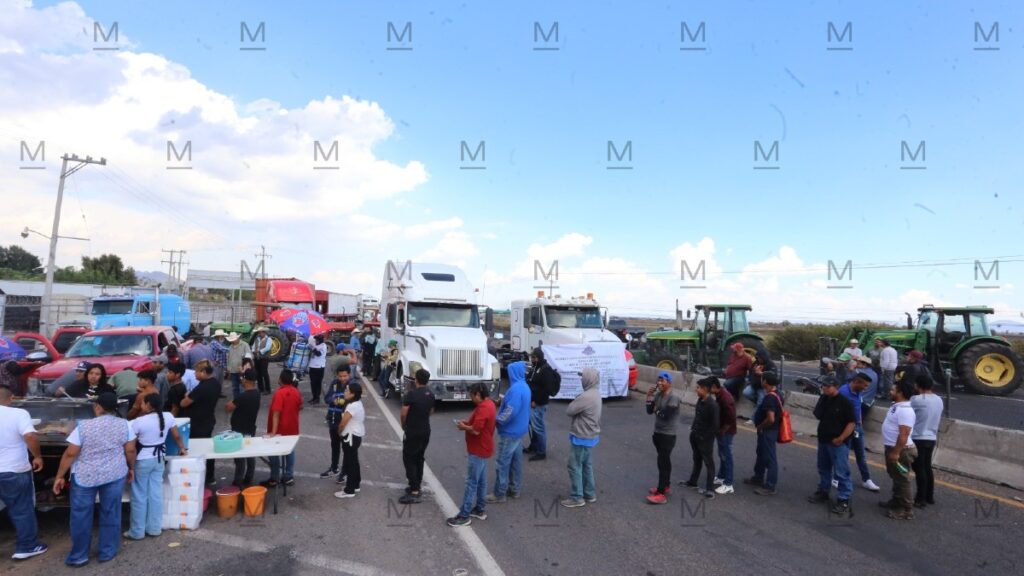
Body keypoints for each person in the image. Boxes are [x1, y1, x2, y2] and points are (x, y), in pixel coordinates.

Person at [52, 393, 136, 567]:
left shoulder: (83, 426)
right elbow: (130, 451)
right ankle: (107, 552)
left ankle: (79, 556)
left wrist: (59, 476)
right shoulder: (126, 425)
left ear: (97, 407)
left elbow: (70, 453)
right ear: (115, 408)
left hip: (85, 476)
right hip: (115, 474)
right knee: (111, 511)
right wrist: (131, 468)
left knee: (81, 515)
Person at [126, 393, 185, 540]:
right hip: (159, 459)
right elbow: (177, 436)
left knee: (139, 495)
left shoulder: (138, 422)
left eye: (143, 403)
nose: (141, 405)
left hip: (143, 460)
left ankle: (137, 531)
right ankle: (154, 528)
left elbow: (131, 449)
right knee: (156, 494)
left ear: (148, 405)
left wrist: (131, 467)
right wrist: (182, 448)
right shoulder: (169, 416)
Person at [0, 386, 48, 561]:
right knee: (21, 509)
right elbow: (30, 436)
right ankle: (27, 546)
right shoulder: (18, 414)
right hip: (14, 470)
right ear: (11, 398)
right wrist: (37, 456)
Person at [448, 383, 497, 526]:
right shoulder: (490, 404)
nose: (471, 398)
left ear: (477, 395)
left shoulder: (483, 408)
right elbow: (477, 425)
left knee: (471, 482)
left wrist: (464, 427)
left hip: (478, 449)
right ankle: (479, 509)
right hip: (484, 447)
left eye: (471, 395)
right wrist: (467, 423)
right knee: (481, 480)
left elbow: (475, 430)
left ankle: (464, 515)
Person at [807, 376, 857, 516]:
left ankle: (844, 499)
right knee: (823, 468)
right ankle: (823, 491)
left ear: (836, 387)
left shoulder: (845, 402)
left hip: (837, 442)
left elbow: (851, 423)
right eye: (823, 386)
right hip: (823, 439)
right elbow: (817, 414)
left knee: (841, 471)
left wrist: (841, 438)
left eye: (827, 386)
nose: (824, 388)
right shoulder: (823, 399)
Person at [488, 361, 531, 503]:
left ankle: (499, 493)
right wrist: (503, 400)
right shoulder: (524, 386)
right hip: (519, 430)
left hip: (509, 431)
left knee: (502, 462)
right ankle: (515, 489)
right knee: (515, 462)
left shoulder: (516, 389)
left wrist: (498, 420)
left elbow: (511, 411)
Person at [561, 368, 602, 508]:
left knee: (574, 466)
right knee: (586, 465)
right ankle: (589, 493)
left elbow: (569, 410)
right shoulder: (596, 393)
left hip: (581, 435)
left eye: (583, 377)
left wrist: (577, 399)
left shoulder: (586, 396)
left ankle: (577, 497)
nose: (581, 379)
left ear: (588, 379)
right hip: (590, 436)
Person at [881, 380, 918, 520]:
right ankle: (897, 501)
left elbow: (904, 434)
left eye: (893, 390)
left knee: (903, 480)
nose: (890, 392)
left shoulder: (906, 411)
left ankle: (906, 509)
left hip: (902, 451)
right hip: (893, 448)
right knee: (896, 477)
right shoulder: (897, 406)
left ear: (900, 393)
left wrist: (896, 452)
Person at [179, 360, 220, 485]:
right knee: (208, 448)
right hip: (208, 420)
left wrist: (187, 396)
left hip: (197, 423)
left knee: (195, 450)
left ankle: (196, 477)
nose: (195, 374)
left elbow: (183, 403)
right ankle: (210, 476)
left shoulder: (202, 387)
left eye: (196, 371)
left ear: (203, 372)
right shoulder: (215, 384)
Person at [645, 371, 681, 504]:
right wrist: (649, 396)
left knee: (663, 463)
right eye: (658, 380)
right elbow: (649, 411)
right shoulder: (658, 395)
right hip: (658, 432)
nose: (659, 383)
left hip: (668, 435)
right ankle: (666, 485)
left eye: (663, 380)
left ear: (669, 383)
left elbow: (666, 415)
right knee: (664, 461)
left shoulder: (674, 398)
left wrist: (656, 410)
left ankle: (661, 493)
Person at [263, 369, 303, 488]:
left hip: (280, 430)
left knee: (274, 453)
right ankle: (288, 476)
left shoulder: (279, 393)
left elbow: (276, 413)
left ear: (280, 379)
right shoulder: (296, 392)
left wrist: (273, 432)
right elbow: (300, 406)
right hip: (292, 428)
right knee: (289, 452)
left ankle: (274, 478)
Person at [400, 369, 435, 504]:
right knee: (419, 457)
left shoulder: (412, 394)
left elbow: (404, 413)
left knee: (409, 458)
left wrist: (404, 425)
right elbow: (431, 411)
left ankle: (414, 490)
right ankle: (417, 484)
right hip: (425, 430)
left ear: (416, 380)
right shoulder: (430, 394)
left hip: (413, 431)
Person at [745, 372, 783, 496]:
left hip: (768, 431)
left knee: (770, 458)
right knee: (761, 454)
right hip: (769, 430)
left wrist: (761, 426)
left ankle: (770, 486)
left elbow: (771, 418)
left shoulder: (770, 398)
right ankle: (758, 477)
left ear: (765, 382)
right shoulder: (778, 394)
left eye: (762, 379)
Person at [682, 377, 719, 498]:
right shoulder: (700, 400)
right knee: (696, 459)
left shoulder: (712, 405)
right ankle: (693, 482)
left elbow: (714, 426)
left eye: (698, 388)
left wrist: (705, 437)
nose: (696, 390)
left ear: (705, 389)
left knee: (709, 463)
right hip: (696, 435)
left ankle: (710, 489)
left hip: (705, 439)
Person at [911, 373, 943, 508]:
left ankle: (920, 498)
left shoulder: (916, 399)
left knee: (919, 469)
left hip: (918, 437)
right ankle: (930, 496)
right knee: (927, 467)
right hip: (931, 436)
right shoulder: (939, 399)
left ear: (918, 385)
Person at [226, 369, 260, 487]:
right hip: (250, 428)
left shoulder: (243, 396)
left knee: (240, 457)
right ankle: (249, 478)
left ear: (246, 380)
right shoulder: (257, 394)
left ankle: (238, 481)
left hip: (239, 430)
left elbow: (229, 407)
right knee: (250, 455)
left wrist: (231, 402)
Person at [525, 347, 560, 462]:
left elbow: (547, 390)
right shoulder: (536, 367)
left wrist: (536, 401)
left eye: (534, 357)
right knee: (534, 426)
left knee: (539, 428)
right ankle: (534, 446)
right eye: (532, 357)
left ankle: (541, 452)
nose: (532, 359)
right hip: (533, 403)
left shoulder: (545, 370)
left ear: (539, 357)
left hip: (539, 404)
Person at [334, 382, 365, 499]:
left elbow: (343, 423)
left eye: (347, 391)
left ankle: (349, 490)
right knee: (354, 461)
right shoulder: (357, 403)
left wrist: (339, 432)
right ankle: (356, 484)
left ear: (352, 394)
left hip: (350, 436)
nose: (345, 393)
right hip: (356, 435)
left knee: (350, 463)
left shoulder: (352, 406)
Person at [320, 366, 350, 480]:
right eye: (340, 376)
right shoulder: (334, 383)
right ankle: (334, 468)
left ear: (349, 375)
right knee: (335, 445)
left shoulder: (352, 386)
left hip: (345, 422)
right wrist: (334, 400)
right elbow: (327, 398)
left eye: (345, 376)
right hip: (333, 420)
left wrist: (340, 400)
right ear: (337, 375)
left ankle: (345, 472)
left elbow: (351, 400)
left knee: (346, 448)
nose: (343, 378)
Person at [709, 378, 737, 495]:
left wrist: (722, 430)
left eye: (709, 387)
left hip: (726, 431)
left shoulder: (725, 398)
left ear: (715, 386)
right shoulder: (719, 395)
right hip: (722, 430)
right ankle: (721, 476)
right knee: (722, 454)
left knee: (727, 456)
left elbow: (731, 417)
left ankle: (728, 484)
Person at [225, 332, 253, 399]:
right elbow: (228, 359)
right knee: (235, 387)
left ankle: (242, 402)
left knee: (242, 387)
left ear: (237, 338)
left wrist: (244, 368)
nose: (231, 341)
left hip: (242, 372)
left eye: (233, 339)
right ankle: (236, 401)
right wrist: (228, 369)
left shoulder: (245, 345)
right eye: (231, 340)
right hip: (233, 371)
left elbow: (249, 357)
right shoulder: (230, 347)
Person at [251, 327, 273, 394]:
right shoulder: (257, 339)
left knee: (264, 373)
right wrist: (254, 351)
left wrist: (259, 351)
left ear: (264, 332)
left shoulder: (269, 339)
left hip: (264, 358)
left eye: (260, 332)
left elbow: (267, 348)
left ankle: (268, 389)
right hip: (257, 358)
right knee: (258, 374)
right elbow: (253, 347)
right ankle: (261, 389)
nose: (259, 333)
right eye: (259, 332)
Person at [307, 334, 327, 404]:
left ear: (321, 340)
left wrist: (312, 348)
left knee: (318, 383)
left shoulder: (323, 346)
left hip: (319, 367)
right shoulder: (315, 345)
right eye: (316, 339)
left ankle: (317, 398)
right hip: (312, 367)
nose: (316, 341)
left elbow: (318, 354)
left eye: (317, 340)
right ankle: (314, 397)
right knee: (312, 383)